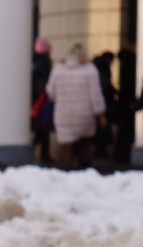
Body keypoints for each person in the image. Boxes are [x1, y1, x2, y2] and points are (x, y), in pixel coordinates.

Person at [44, 43, 107, 171]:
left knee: (66, 148)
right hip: (85, 114)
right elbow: (95, 95)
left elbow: (50, 92)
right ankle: (85, 171)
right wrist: (100, 113)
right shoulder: (90, 69)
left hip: (63, 113)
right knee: (85, 143)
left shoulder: (58, 69)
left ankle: (65, 173)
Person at [29, 38, 54, 165]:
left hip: (36, 100)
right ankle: (37, 151)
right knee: (43, 128)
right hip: (42, 100)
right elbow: (45, 83)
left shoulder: (33, 61)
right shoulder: (43, 63)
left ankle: (44, 154)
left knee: (42, 128)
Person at [91, 50, 118, 161]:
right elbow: (105, 86)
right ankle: (100, 153)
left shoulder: (96, 67)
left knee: (100, 130)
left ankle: (100, 153)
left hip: (100, 103)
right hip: (102, 104)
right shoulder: (102, 70)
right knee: (101, 130)